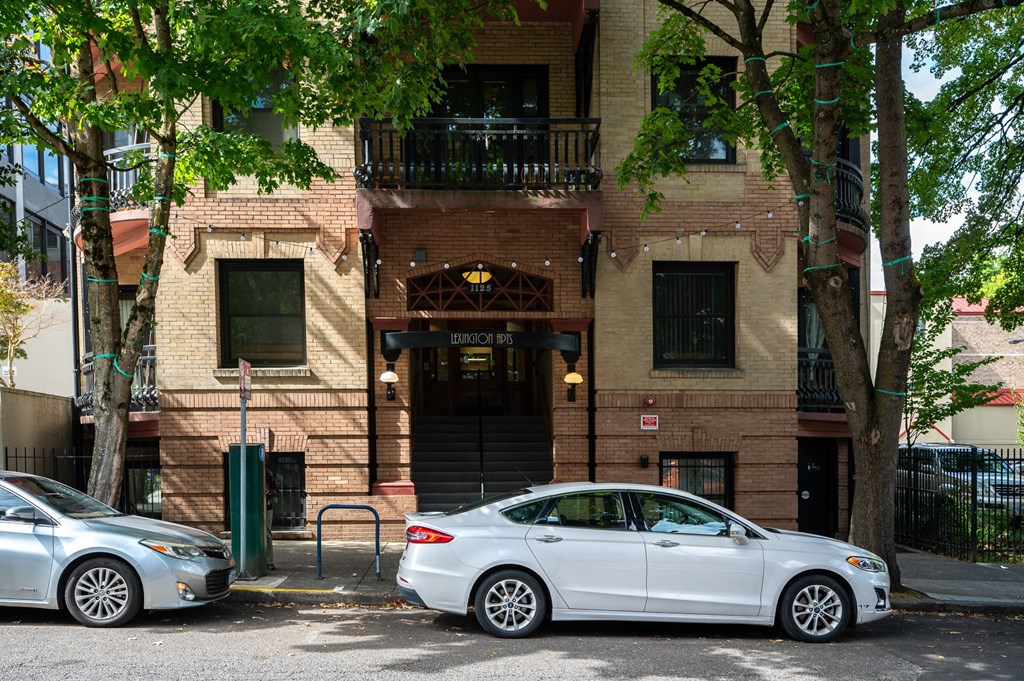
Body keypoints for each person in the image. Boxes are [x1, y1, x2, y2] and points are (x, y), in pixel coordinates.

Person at [265, 466, 279, 570]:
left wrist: (269, 491)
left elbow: (276, 491)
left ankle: (269, 561)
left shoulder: (268, 473)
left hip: (267, 506)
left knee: (267, 533)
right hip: (250, 510)